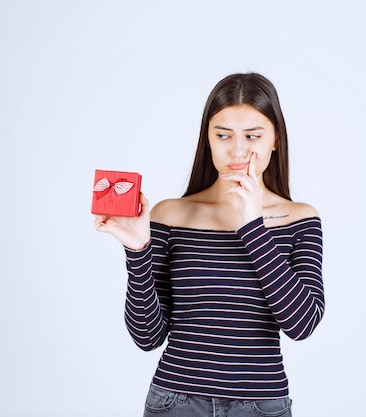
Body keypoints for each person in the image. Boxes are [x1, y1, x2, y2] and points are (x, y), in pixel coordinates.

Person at [94, 72, 324, 417]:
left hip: (260, 406)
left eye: (253, 136)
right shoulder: (171, 214)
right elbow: (147, 337)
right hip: (175, 402)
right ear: (208, 140)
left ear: (275, 139)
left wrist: (252, 226)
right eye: (223, 135)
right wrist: (138, 250)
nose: (238, 150)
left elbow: (302, 324)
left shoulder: (299, 219)